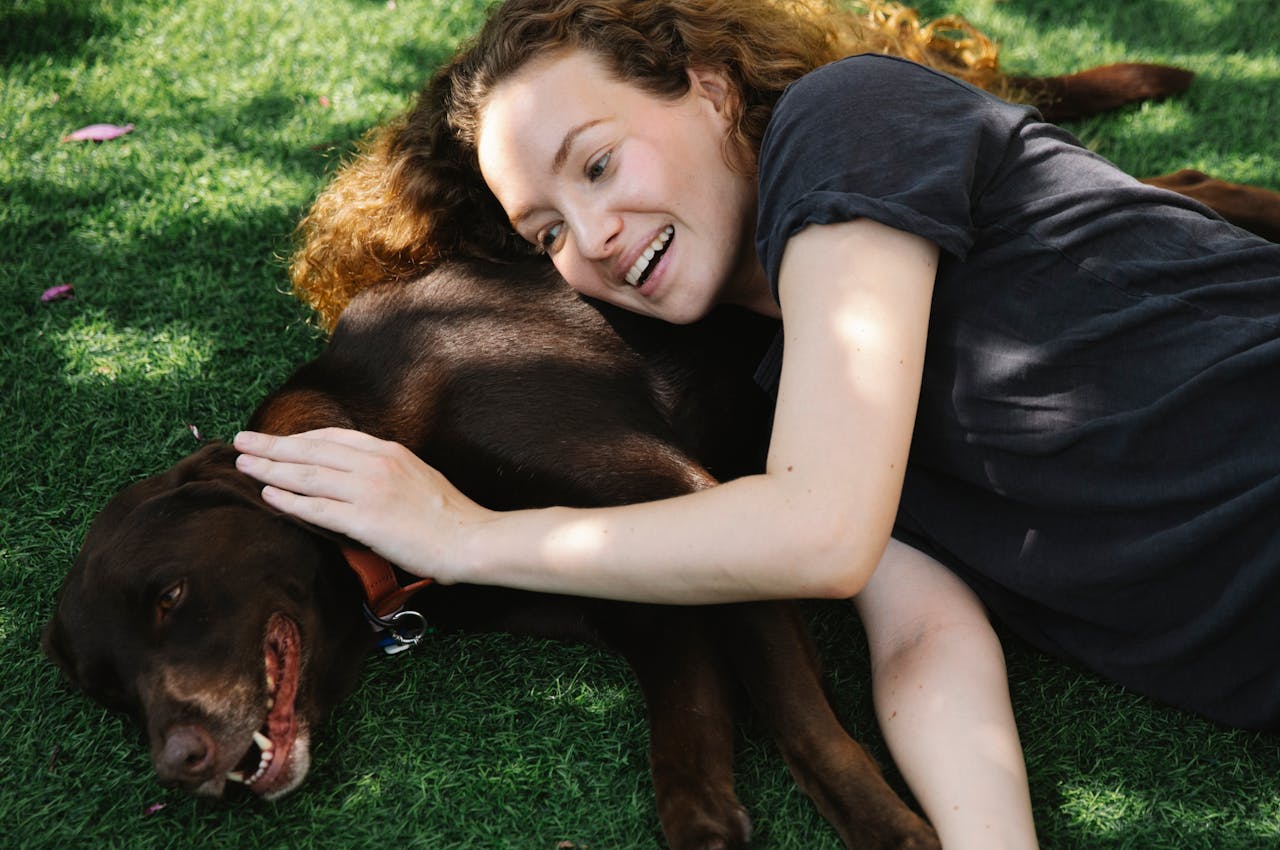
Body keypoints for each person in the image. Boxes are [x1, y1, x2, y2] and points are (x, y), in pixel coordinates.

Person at [233, 1, 1280, 847]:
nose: (590, 238)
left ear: (708, 87)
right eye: (544, 230)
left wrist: (461, 535)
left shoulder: (848, 120)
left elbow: (819, 532)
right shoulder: (797, 407)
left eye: (597, 165)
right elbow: (924, 632)